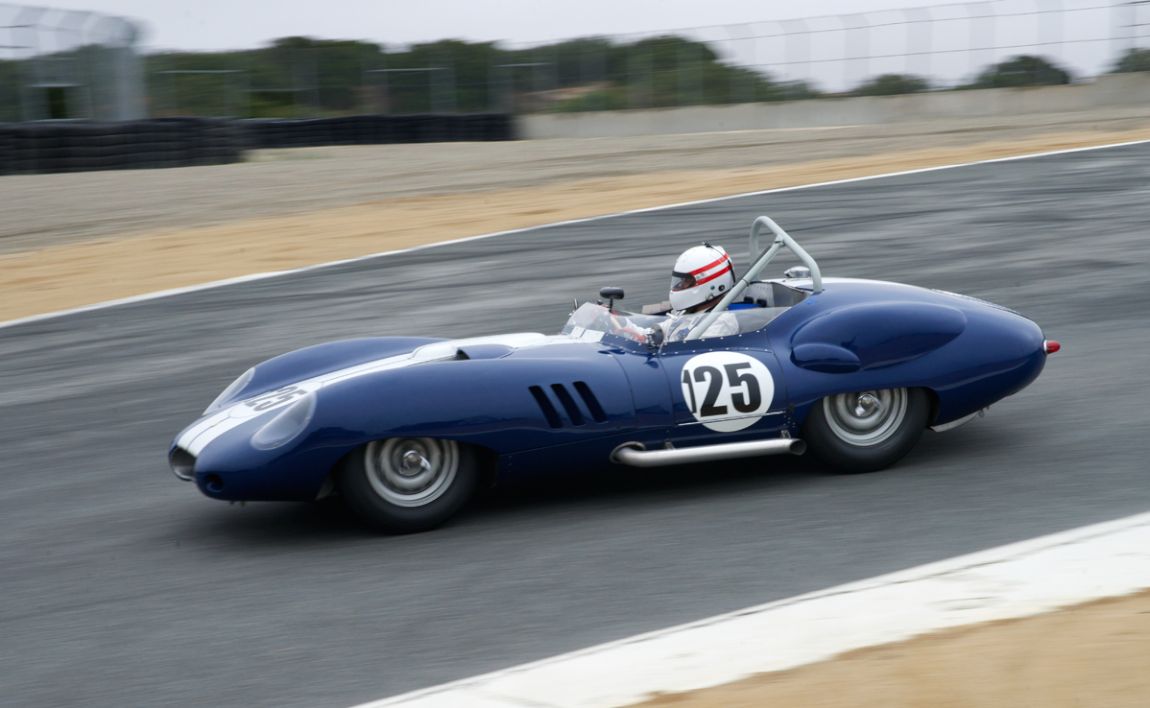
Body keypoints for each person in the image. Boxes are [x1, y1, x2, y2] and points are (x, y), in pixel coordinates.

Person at [660, 243, 740, 342]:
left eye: (687, 281)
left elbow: (696, 352)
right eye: (681, 280)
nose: (681, 285)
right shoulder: (685, 312)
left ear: (711, 283)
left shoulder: (721, 322)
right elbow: (655, 333)